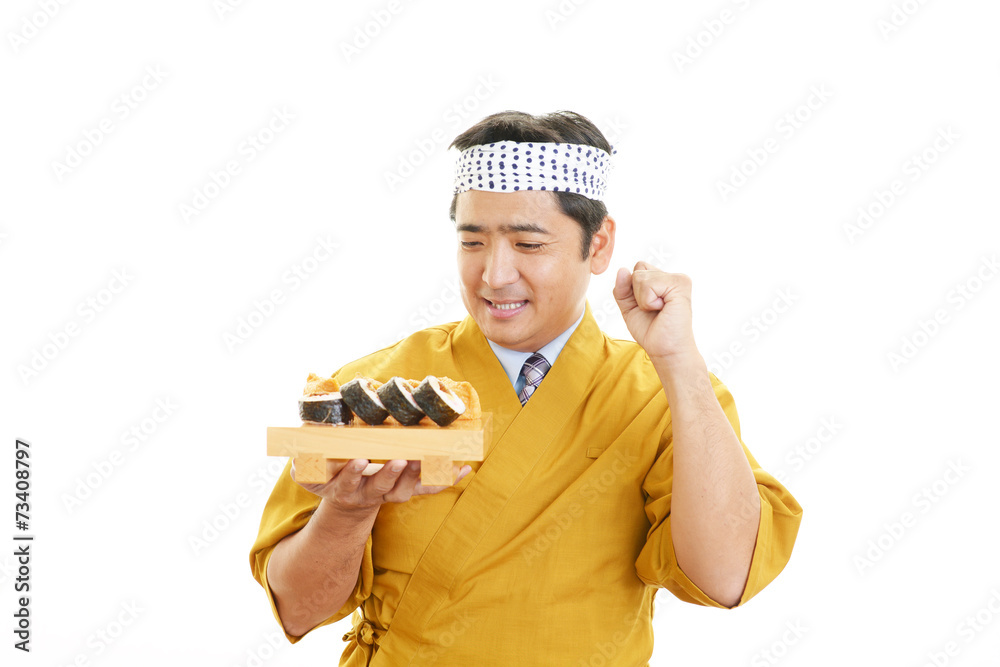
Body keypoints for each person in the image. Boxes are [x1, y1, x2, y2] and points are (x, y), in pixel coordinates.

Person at [250, 110, 802, 666]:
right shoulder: (372, 390)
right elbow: (297, 610)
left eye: (529, 244)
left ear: (599, 244)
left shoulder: (661, 396)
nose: (494, 275)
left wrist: (679, 362)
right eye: (472, 242)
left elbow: (726, 578)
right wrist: (348, 510)